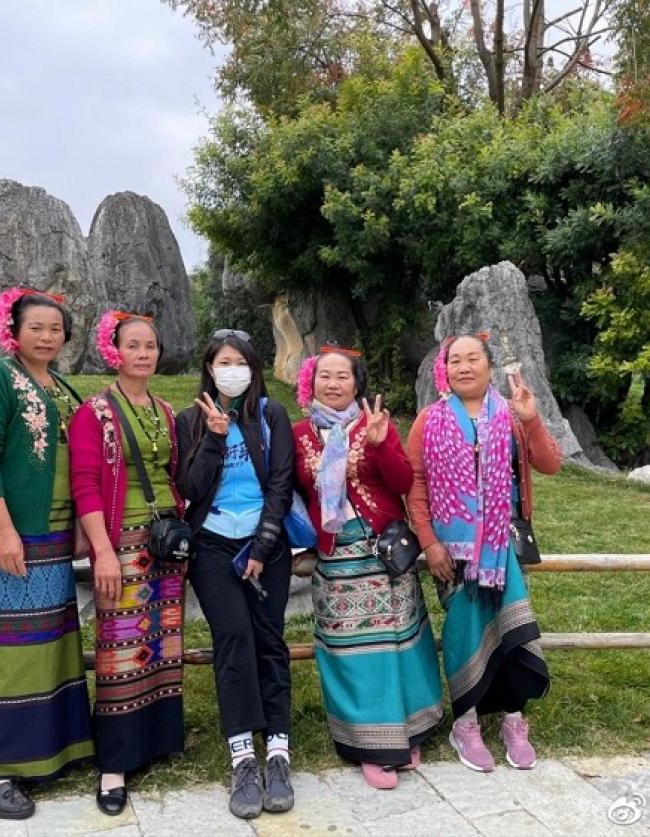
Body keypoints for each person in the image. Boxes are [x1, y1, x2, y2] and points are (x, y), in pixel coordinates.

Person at [0, 287, 94, 819]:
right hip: (13, 537)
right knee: (17, 649)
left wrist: (81, 528)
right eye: (36, 327)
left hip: (54, 538)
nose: (47, 337)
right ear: (13, 330)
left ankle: (47, 749)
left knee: (49, 643)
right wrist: (3, 530)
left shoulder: (61, 386)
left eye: (55, 329)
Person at [406, 333, 561, 773]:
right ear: (445, 370)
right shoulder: (429, 420)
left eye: (474, 358)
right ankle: (466, 724)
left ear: (489, 367)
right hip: (449, 554)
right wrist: (429, 541)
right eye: (455, 360)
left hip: (501, 548)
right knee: (462, 633)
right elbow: (414, 485)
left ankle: (514, 720)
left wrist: (531, 420)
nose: (464, 367)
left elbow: (550, 465)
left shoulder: (512, 416)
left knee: (512, 629)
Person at [291, 346, 443, 790]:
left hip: (383, 555)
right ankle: (371, 744)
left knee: (400, 642)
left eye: (343, 376)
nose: (334, 384)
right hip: (337, 560)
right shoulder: (300, 434)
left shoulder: (374, 424)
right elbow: (288, 492)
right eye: (325, 376)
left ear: (357, 384)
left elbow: (402, 482)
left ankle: (409, 730)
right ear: (311, 382)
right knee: (351, 651)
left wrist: (380, 446)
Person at [174, 329, 296, 820]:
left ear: (253, 367)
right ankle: (243, 757)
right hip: (212, 545)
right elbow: (190, 488)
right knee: (233, 639)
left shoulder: (272, 415)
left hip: (266, 546)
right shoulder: (190, 420)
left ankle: (280, 754)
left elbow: (281, 483)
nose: (233, 370)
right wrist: (215, 440)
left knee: (270, 640)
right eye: (223, 361)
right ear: (209, 368)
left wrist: (263, 547)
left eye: (241, 361)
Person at [69, 311, 187, 815]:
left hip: (164, 544)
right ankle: (114, 763)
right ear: (113, 350)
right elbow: (85, 485)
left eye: (151, 345)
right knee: (120, 650)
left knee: (162, 642)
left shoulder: (165, 410)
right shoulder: (94, 412)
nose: (143, 353)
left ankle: (155, 742)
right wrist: (103, 551)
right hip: (121, 542)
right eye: (133, 345)